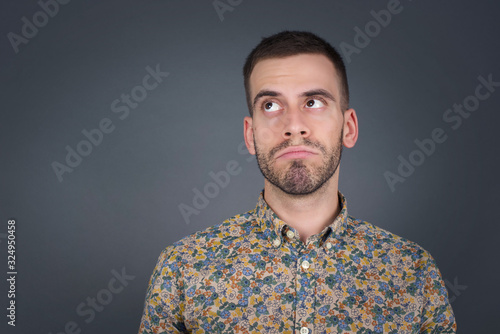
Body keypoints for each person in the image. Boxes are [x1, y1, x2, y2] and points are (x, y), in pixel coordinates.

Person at [137, 31, 456, 334]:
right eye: (271, 105)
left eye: (313, 102)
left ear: (349, 127)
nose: (294, 126)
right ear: (250, 134)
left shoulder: (413, 270)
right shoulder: (183, 267)